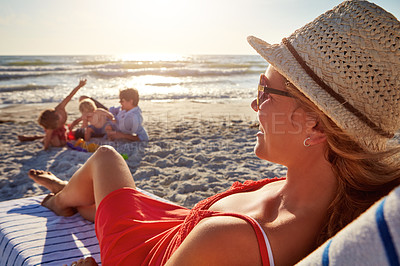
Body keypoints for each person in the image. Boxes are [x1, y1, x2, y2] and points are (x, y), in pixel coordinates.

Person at [27, 1, 400, 265]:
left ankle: (61, 201)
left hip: (150, 253)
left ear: (315, 125)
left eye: (264, 92)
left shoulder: (231, 239)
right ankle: (71, 195)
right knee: (111, 199)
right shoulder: (326, 200)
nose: (255, 106)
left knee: (106, 158)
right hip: (179, 228)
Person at [18, 79, 87, 150]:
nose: (58, 122)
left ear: (56, 113)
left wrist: (79, 86)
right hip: (54, 132)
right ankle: (42, 139)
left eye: (57, 121)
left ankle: (37, 137)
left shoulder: (60, 107)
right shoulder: (51, 125)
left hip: (62, 129)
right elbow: (48, 136)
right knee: (57, 144)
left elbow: (69, 96)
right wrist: (45, 147)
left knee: (63, 143)